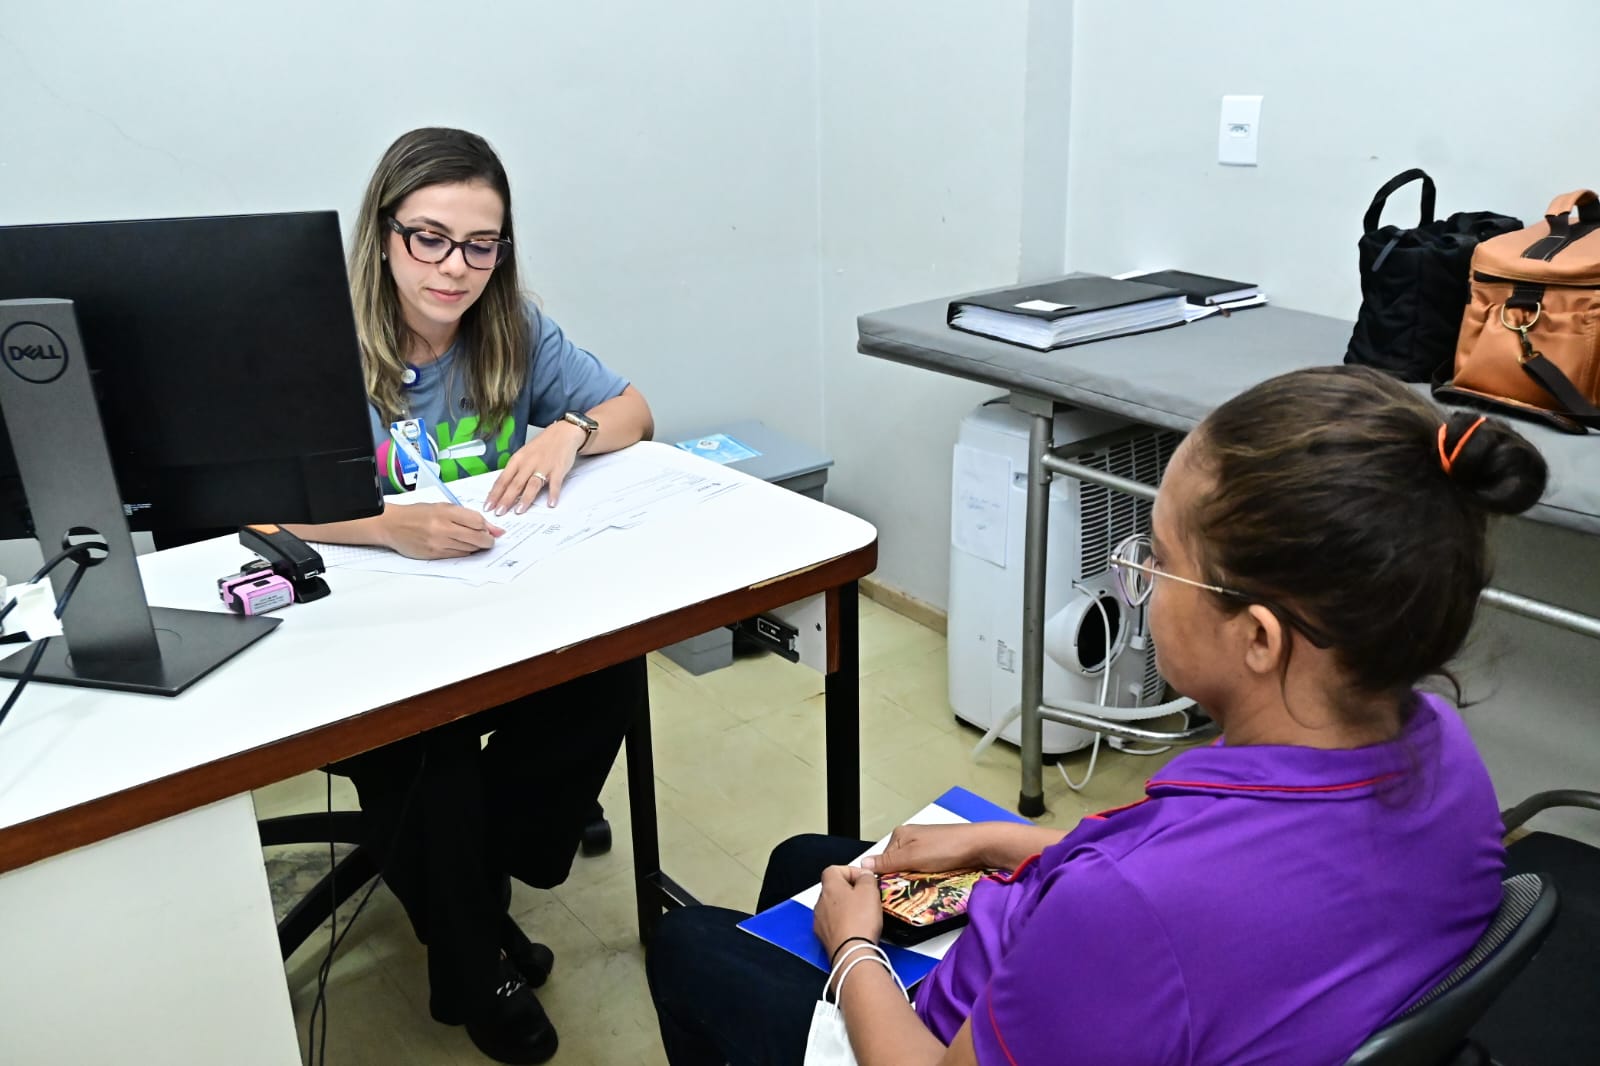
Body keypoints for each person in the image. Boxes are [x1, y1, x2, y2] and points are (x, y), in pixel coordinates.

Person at [647, 365, 1548, 1066]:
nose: (1142, 588)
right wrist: (999, 845)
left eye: (1156, 562)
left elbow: (1138, 912)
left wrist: (854, 954)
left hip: (965, 1025)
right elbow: (1180, 903)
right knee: (810, 861)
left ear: (1261, 639)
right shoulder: (1443, 754)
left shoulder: (1130, 908)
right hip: (1144, 982)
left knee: (690, 941)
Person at [288, 126, 654, 1066]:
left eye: (480, 245)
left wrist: (567, 432)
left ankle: (475, 885)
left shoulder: (512, 328)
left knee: (609, 672)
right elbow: (236, 511)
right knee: (431, 746)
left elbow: (634, 410)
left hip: (498, 611)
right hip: (368, 631)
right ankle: (470, 958)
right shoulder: (313, 340)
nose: (456, 268)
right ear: (383, 234)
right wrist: (383, 526)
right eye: (430, 238)